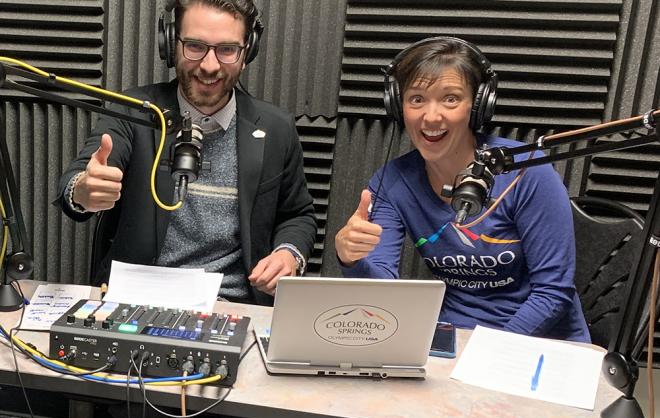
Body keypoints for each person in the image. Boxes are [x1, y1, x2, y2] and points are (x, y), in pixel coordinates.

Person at [56, 0, 316, 305]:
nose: (209, 65)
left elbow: (298, 215)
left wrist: (289, 253)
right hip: (138, 301)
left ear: (248, 52)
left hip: (234, 304)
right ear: (170, 43)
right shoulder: (134, 112)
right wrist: (84, 190)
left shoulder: (276, 128)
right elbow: (76, 180)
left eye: (227, 49)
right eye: (194, 46)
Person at [334, 36, 590, 342]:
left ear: (478, 105)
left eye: (450, 99)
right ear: (397, 105)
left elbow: (553, 293)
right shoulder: (392, 182)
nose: (431, 116)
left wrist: (487, 354)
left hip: (541, 340)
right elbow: (383, 288)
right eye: (416, 99)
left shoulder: (527, 170)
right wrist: (351, 259)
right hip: (455, 338)